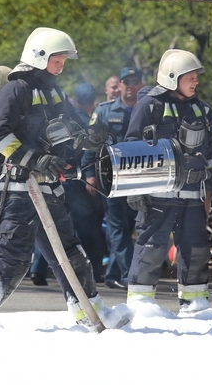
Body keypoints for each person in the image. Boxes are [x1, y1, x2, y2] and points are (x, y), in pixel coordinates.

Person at [0, 27, 125, 329]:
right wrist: (36, 159)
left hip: (49, 187)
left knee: (70, 252)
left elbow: (71, 131)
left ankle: (91, 313)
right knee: (13, 254)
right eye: (57, 60)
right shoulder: (17, 89)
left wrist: (91, 137)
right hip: (21, 186)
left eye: (64, 61)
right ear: (39, 57)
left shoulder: (55, 93)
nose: (62, 66)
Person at [124, 50, 212, 313]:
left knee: (196, 250)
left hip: (192, 196)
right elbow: (133, 147)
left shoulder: (202, 109)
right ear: (172, 78)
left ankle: (195, 304)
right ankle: (141, 304)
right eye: (189, 77)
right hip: (157, 196)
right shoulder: (150, 106)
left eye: (195, 77)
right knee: (151, 247)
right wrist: (135, 189)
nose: (195, 82)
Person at [86, 67, 144, 289]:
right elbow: (90, 144)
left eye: (134, 81)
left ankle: (112, 275)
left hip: (138, 178)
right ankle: (131, 277)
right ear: (119, 85)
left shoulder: (145, 110)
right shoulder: (103, 111)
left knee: (129, 226)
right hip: (111, 178)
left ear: (140, 84)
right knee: (118, 227)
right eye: (125, 81)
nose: (130, 85)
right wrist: (90, 174)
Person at [63, 82, 105, 283]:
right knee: (87, 227)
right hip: (79, 180)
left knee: (55, 224)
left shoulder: (64, 119)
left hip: (61, 178)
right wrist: (90, 174)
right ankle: (94, 270)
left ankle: (39, 269)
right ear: (91, 102)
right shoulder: (87, 122)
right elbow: (89, 149)